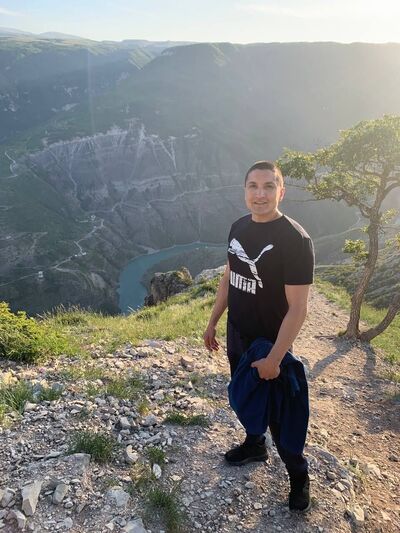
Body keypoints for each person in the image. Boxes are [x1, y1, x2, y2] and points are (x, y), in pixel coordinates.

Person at [203, 160, 314, 512]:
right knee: (246, 396)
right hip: (238, 334)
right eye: (253, 186)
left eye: (269, 186)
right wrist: (213, 322)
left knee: (281, 416)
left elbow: (298, 308)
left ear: (281, 192)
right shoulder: (238, 227)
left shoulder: (295, 239)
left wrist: (275, 359)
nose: (260, 194)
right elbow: (228, 278)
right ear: (245, 191)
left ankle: (298, 476)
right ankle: (254, 444)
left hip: (269, 343)